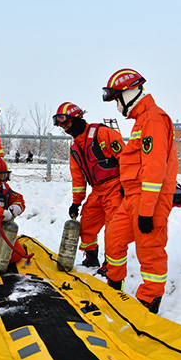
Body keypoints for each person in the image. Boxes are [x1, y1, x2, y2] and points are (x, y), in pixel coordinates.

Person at [102, 68, 178, 314]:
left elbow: (155, 168)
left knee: (150, 249)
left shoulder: (154, 119)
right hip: (133, 197)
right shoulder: (141, 120)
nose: (116, 105)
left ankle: (150, 299)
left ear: (129, 93)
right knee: (114, 236)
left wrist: (147, 210)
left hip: (150, 200)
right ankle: (114, 283)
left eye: (117, 99)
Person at [53, 102, 124, 268]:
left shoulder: (102, 133)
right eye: (63, 127)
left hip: (115, 187)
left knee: (113, 231)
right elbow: (78, 179)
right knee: (86, 226)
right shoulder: (75, 149)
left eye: (68, 124)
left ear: (77, 120)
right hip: (97, 191)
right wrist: (76, 202)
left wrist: (126, 185)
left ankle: (111, 267)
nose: (66, 130)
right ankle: (91, 258)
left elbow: (126, 159)